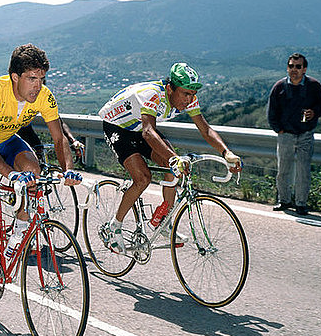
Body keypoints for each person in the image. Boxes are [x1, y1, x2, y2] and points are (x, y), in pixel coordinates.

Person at [0, 43, 82, 312]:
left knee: (33, 171)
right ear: (15, 77)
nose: (37, 86)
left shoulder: (44, 96)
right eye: (31, 78)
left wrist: (68, 168)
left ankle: (19, 227)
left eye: (41, 78)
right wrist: (10, 174)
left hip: (7, 140)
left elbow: (59, 138)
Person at [99, 62, 242, 252]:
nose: (189, 99)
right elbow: (149, 132)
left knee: (173, 168)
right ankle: (114, 226)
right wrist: (176, 157)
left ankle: (163, 222)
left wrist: (227, 153)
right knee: (143, 178)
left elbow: (205, 129)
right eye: (185, 94)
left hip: (140, 127)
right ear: (169, 89)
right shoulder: (152, 95)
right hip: (118, 127)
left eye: (192, 94)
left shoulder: (189, 98)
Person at [267, 53, 321, 215]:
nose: (294, 70)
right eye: (291, 66)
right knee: (283, 170)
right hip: (285, 134)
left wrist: (314, 112)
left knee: (303, 171)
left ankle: (301, 203)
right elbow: (271, 110)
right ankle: (284, 200)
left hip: (305, 134)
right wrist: (278, 129)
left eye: (298, 66)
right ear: (287, 68)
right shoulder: (279, 87)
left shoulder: (313, 85)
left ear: (304, 69)